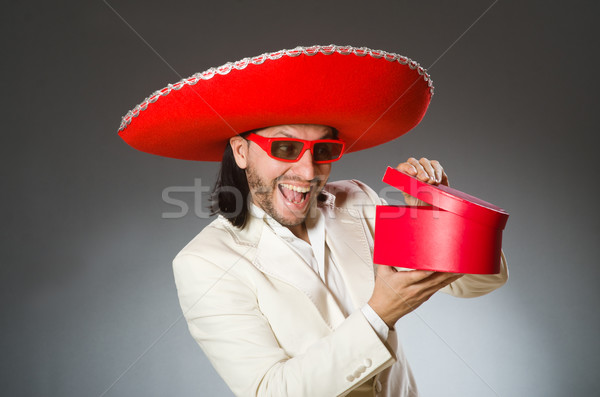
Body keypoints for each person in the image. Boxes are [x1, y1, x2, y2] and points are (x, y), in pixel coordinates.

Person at [118, 45, 508, 397]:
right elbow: (271, 391)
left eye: (322, 149)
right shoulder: (203, 263)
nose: (307, 171)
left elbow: (479, 282)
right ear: (241, 152)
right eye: (285, 147)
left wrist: (440, 214)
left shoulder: (355, 201)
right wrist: (380, 313)